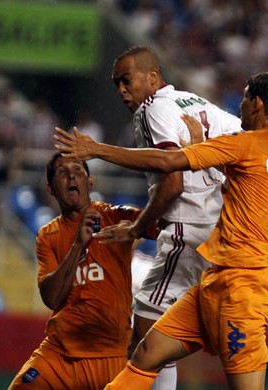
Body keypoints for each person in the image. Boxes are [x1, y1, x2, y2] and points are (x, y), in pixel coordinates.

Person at [54, 70, 268, 390]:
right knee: (147, 353)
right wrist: (206, 148)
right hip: (221, 281)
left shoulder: (245, 145)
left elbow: (166, 163)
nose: (240, 106)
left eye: (244, 98)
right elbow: (252, 177)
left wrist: (98, 150)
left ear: (257, 104)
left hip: (242, 291)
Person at [109, 46, 243, 389]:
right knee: (177, 344)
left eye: (126, 81)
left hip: (188, 233)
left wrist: (137, 228)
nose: (122, 91)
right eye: (116, 85)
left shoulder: (150, 110)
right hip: (220, 237)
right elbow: (248, 146)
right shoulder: (194, 102)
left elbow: (172, 185)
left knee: (145, 343)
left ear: (152, 77)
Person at [8, 152, 157, 389]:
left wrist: (134, 230)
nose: (71, 177)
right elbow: (51, 298)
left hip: (112, 356)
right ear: (50, 189)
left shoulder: (116, 216)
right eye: (62, 172)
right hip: (60, 355)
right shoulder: (48, 235)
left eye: (78, 170)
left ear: (90, 181)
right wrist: (78, 244)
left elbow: (168, 225)